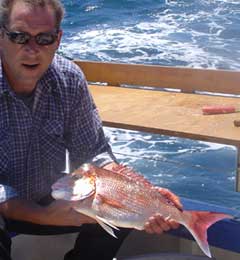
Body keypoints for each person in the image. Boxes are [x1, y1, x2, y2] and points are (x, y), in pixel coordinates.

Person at [0, 0, 182, 259]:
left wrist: (141, 195)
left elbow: (94, 152)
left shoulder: (69, 79)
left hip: (50, 195)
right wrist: (40, 215)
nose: (32, 50)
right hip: (6, 208)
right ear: (1, 36)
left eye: (45, 38)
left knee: (119, 215)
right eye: (19, 37)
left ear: (58, 39)